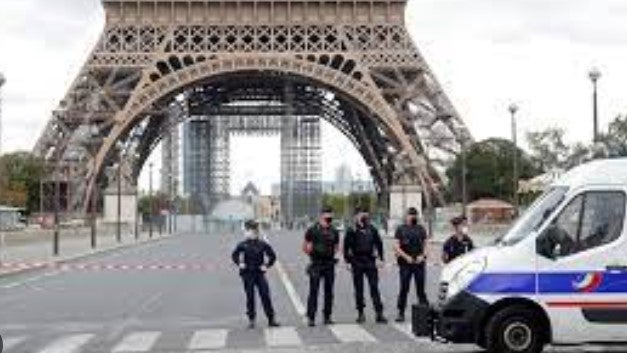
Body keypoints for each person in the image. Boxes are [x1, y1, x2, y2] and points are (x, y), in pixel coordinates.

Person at [231, 219, 280, 329]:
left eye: (252, 230)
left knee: (265, 295)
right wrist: (240, 263)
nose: (250, 232)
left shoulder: (262, 244)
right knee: (250, 297)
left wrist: (266, 265)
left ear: (256, 231)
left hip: (259, 273)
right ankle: (251, 319)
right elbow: (234, 255)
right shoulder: (242, 245)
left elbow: (272, 256)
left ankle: (271, 319)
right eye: (248, 230)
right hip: (247, 274)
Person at [343, 207, 388, 324]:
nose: (364, 217)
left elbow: (379, 244)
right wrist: (347, 261)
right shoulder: (351, 230)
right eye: (362, 215)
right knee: (359, 289)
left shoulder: (372, 229)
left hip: (370, 260)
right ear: (356, 216)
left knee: (374, 287)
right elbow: (346, 247)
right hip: (356, 261)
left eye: (366, 215)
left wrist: (381, 258)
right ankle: (360, 313)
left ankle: (379, 313)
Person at [303, 206, 340, 327]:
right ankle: (311, 317)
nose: (329, 218)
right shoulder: (312, 230)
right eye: (327, 215)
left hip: (329, 264)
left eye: (331, 216)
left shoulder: (334, 231)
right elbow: (305, 247)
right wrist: (312, 253)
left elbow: (337, 247)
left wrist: (332, 255)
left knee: (329, 292)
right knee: (314, 291)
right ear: (321, 216)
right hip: (316, 264)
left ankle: (327, 316)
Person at [394, 207, 429, 323]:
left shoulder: (421, 229)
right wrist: (406, 257)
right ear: (406, 216)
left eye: (414, 215)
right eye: (410, 215)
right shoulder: (401, 229)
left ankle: (424, 313)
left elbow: (426, 245)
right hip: (405, 263)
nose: (412, 217)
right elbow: (396, 246)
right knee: (404, 288)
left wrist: (422, 256)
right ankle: (401, 312)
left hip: (419, 262)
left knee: (421, 289)